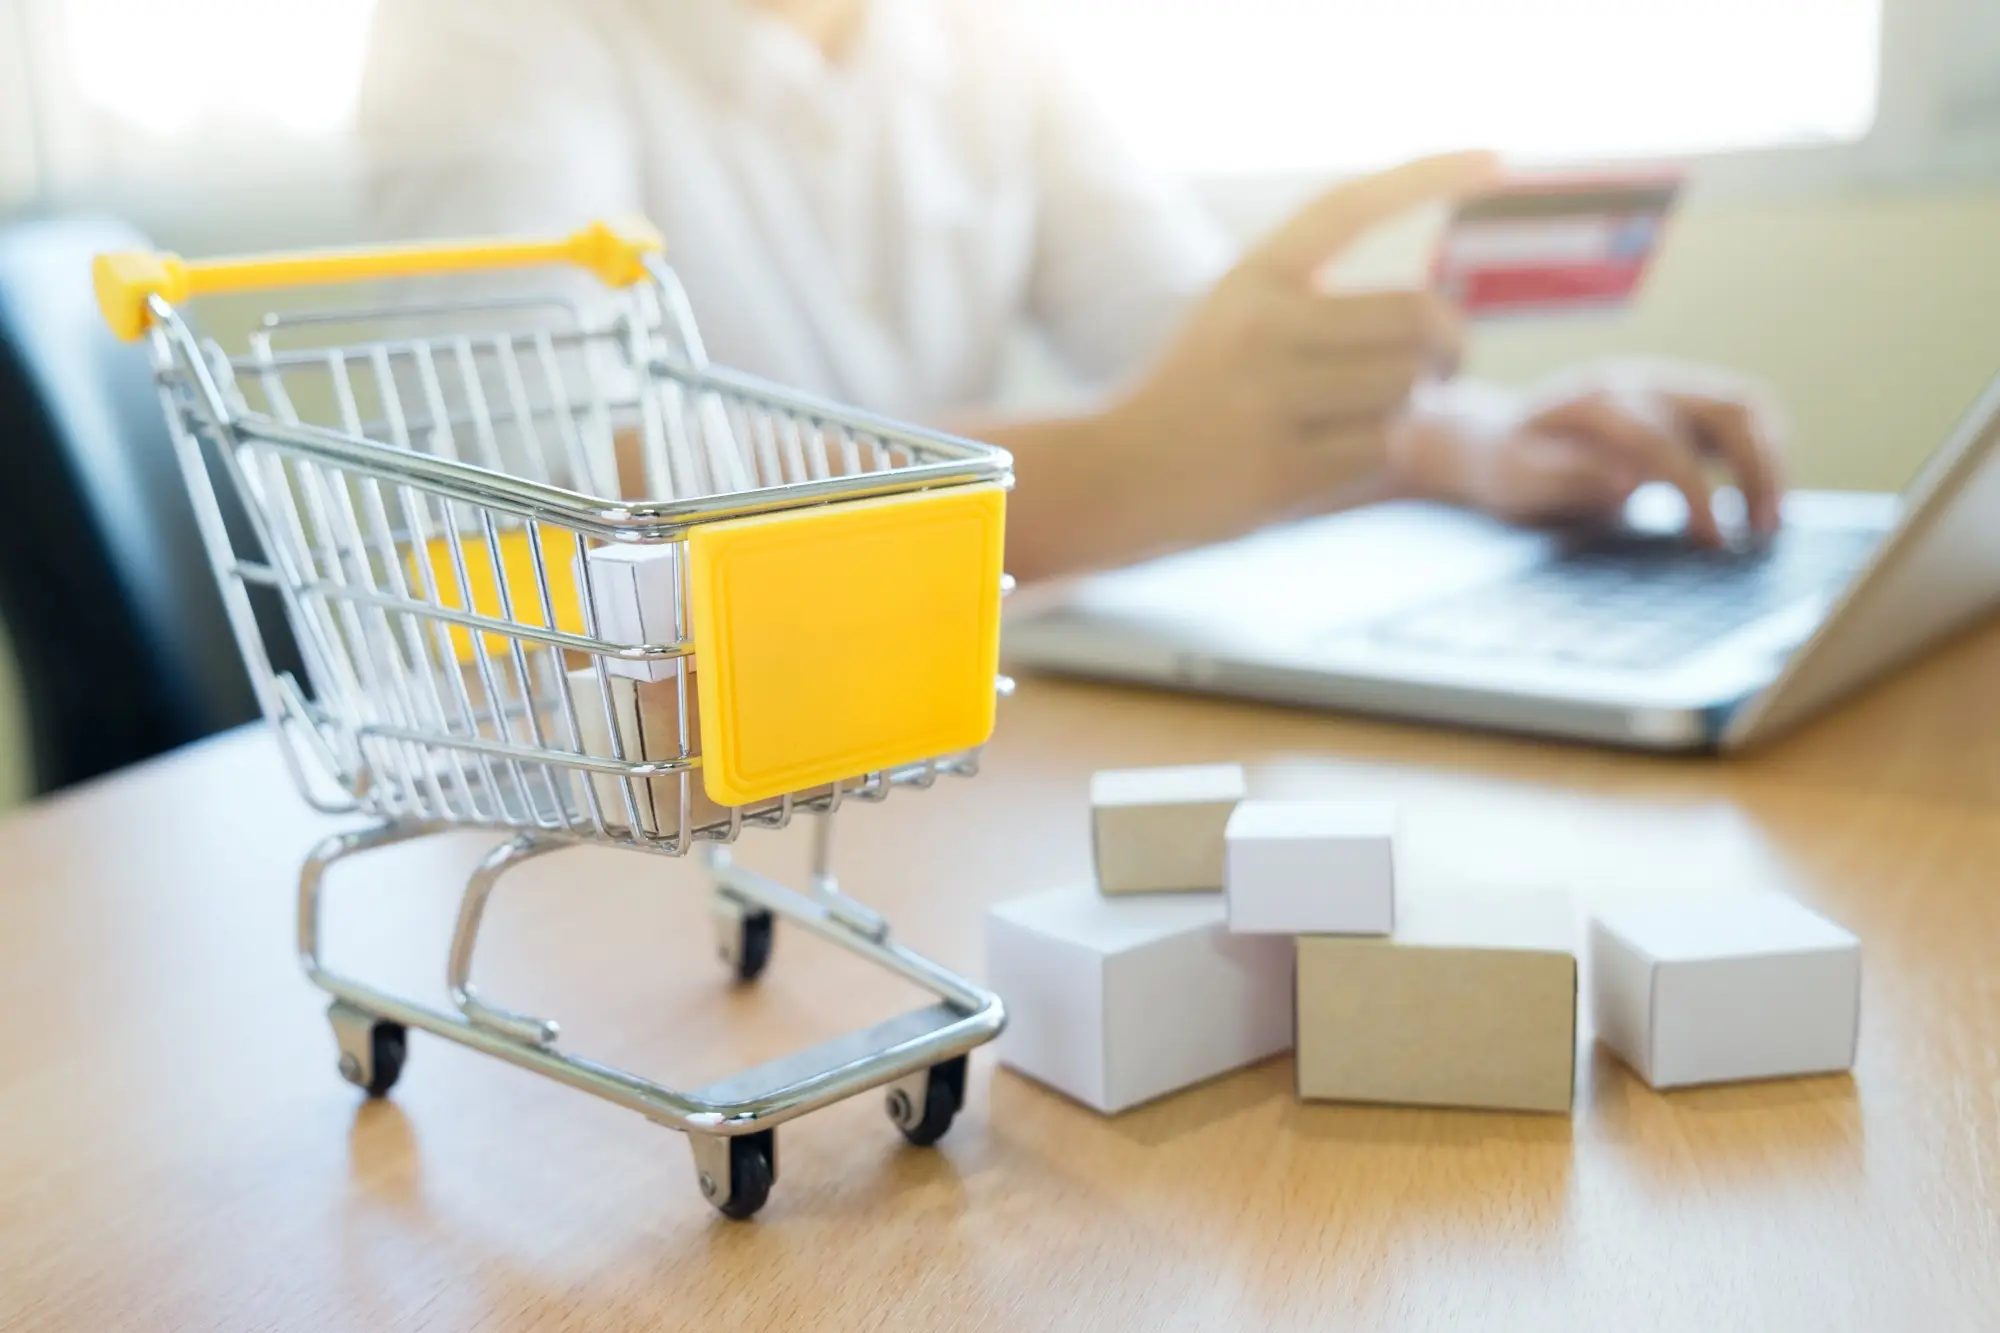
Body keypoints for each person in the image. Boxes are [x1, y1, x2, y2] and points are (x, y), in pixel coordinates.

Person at [357, 0, 1785, 584]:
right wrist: (1105, 474)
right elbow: (526, 492)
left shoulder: (992, 40)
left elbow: (1189, 355)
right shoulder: (483, 39)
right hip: (613, 811)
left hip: (906, 752)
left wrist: (1487, 440)